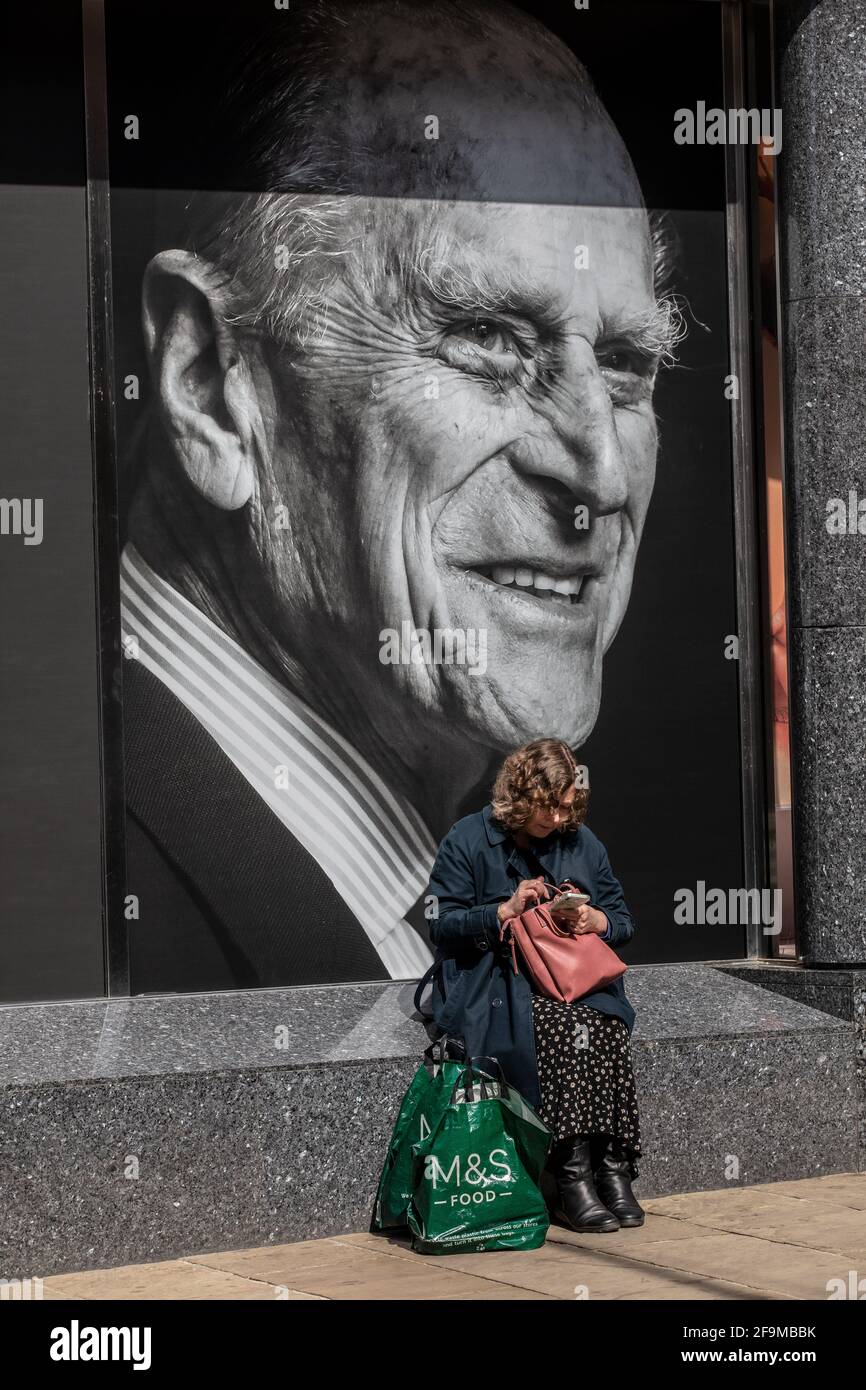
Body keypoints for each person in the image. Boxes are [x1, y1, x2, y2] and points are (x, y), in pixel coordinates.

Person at [120, 0, 681, 992]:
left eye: (628, 364)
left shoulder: (484, 878)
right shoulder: (79, 899)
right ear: (210, 385)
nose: (596, 473)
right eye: (486, 339)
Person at [419, 737, 643, 1232]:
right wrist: (502, 911)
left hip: (571, 977)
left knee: (606, 1021)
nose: (559, 821)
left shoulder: (583, 842)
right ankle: (568, 1179)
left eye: (567, 808)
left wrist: (593, 921)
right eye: (549, 809)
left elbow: (623, 921)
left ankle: (612, 1169)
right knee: (560, 1026)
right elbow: (440, 923)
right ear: (520, 797)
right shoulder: (468, 838)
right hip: (496, 981)